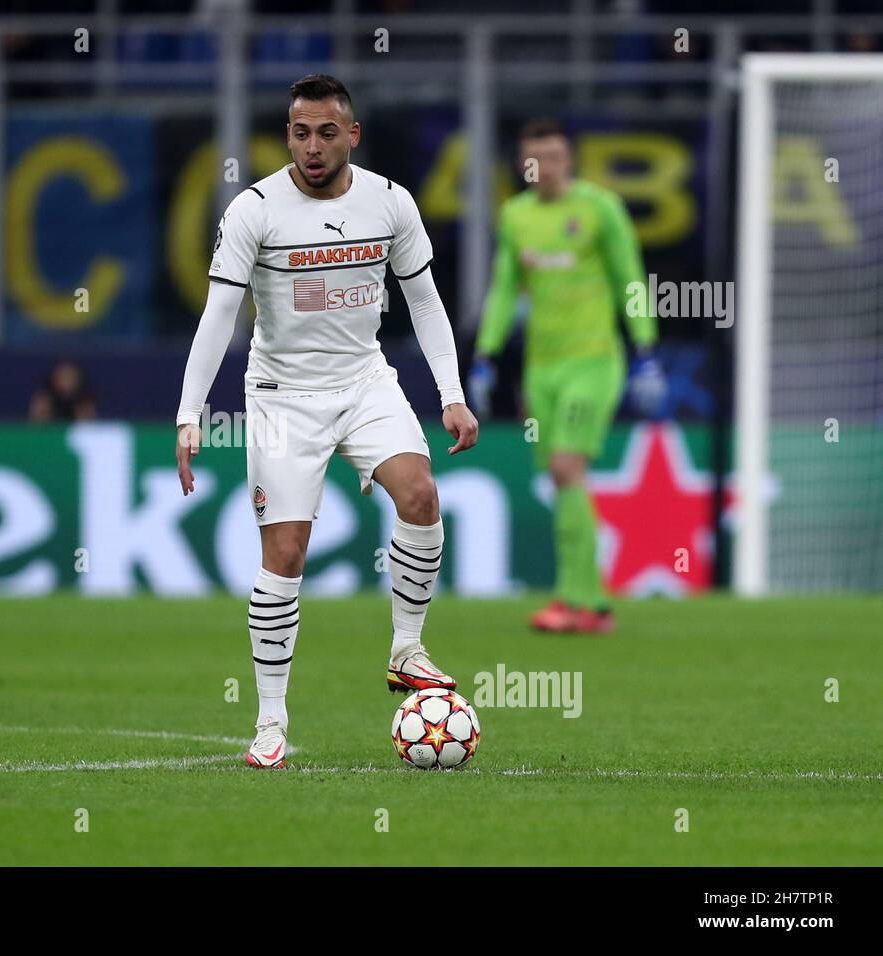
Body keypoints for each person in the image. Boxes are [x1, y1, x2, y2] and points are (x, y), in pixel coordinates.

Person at [175, 74, 478, 769]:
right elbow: (220, 316)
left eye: (325, 132)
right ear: (288, 135)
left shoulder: (391, 202)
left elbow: (426, 304)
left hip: (364, 379)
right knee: (284, 557)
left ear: (352, 135)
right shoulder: (254, 211)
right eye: (299, 132)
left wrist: (450, 394)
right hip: (282, 395)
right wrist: (190, 413)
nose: (311, 147)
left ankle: (406, 650)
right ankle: (270, 723)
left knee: (423, 496)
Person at [470, 118, 663, 634]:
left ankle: (573, 600)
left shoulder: (599, 208)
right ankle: (594, 605)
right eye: (533, 158)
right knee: (562, 479)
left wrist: (644, 348)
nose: (543, 167)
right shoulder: (516, 216)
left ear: (569, 160)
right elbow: (505, 290)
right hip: (542, 369)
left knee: (564, 466)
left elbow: (629, 279)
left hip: (594, 361)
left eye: (553, 156)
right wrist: (485, 356)